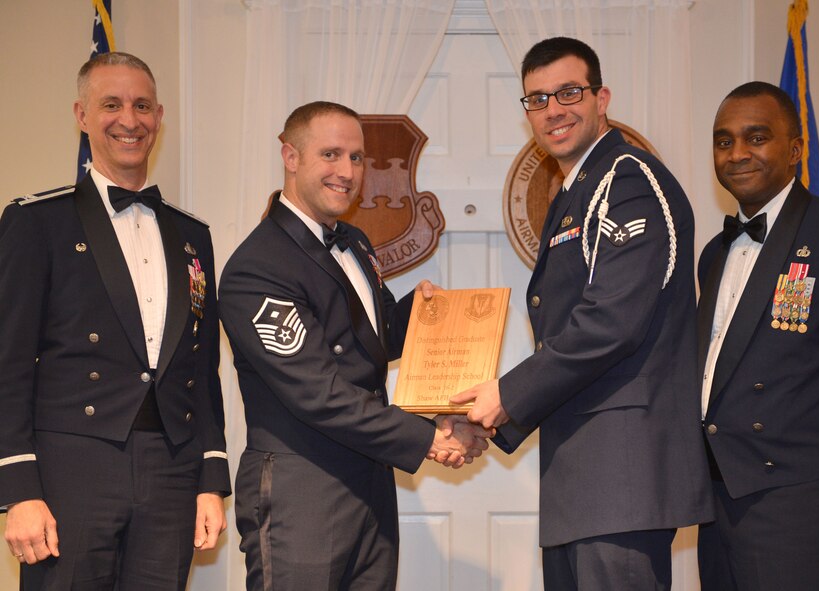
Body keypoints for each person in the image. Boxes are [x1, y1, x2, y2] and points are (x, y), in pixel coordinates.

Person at [451, 37, 713, 590]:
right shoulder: (580, 189)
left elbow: (611, 322)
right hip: (586, 480)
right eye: (538, 99)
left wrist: (505, 396)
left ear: (602, 98)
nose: (553, 109)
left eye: (569, 92)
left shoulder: (629, 181)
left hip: (622, 478)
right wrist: (492, 412)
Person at [218, 101, 492, 591]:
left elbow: (371, 339)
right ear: (291, 157)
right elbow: (319, 393)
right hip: (303, 489)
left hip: (369, 479)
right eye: (330, 155)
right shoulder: (258, 266)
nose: (347, 172)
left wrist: (423, 313)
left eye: (356, 157)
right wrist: (428, 438)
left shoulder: (355, 242)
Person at [0, 52, 230, 590]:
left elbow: (201, 368)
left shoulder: (193, 235)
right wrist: (18, 489)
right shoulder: (37, 221)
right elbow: (8, 364)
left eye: (142, 106)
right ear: (81, 115)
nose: (130, 119)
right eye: (111, 105)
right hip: (70, 468)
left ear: (159, 116)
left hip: (172, 469)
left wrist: (211, 478)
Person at [697, 81, 819, 590]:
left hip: (801, 505)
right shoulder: (713, 254)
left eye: (757, 137)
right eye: (724, 141)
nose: (738, 153)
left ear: (796, 150)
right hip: (718, 504)